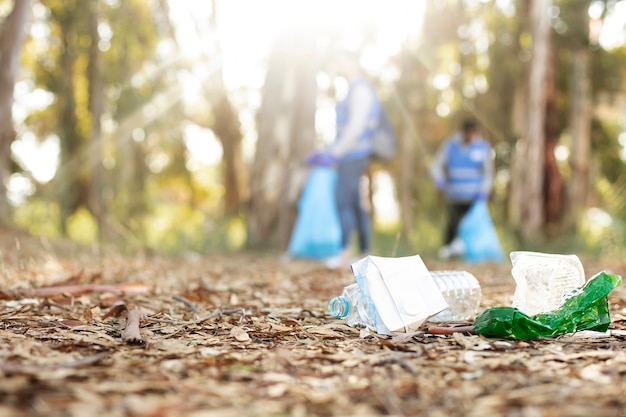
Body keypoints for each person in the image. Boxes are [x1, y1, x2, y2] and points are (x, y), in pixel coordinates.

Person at [307, 49, 381, 269]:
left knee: (343, 201)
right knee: (356, 205)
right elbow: (345, 131)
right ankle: (364, 253)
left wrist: (334, 154)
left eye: (339, 61)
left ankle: (344, 253)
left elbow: (355, 128)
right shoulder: (353, 90)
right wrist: (326, 151)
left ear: (352, 61)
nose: (336, 66)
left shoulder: (360, 90)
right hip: (352, 153)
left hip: (354, 154)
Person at [429, 118, 494, 260]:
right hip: (454, 195)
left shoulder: (482, 148)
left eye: (472, 133)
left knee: (471, 228)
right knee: (452, 226)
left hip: (474, 198)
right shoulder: (450, 146)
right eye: (467, 133)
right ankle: (448, 256)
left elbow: (488, 173)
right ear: (463, 132)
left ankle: (471, 256)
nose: (470, 136)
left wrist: (485, 191)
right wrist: (439, 179)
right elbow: (436, 165)